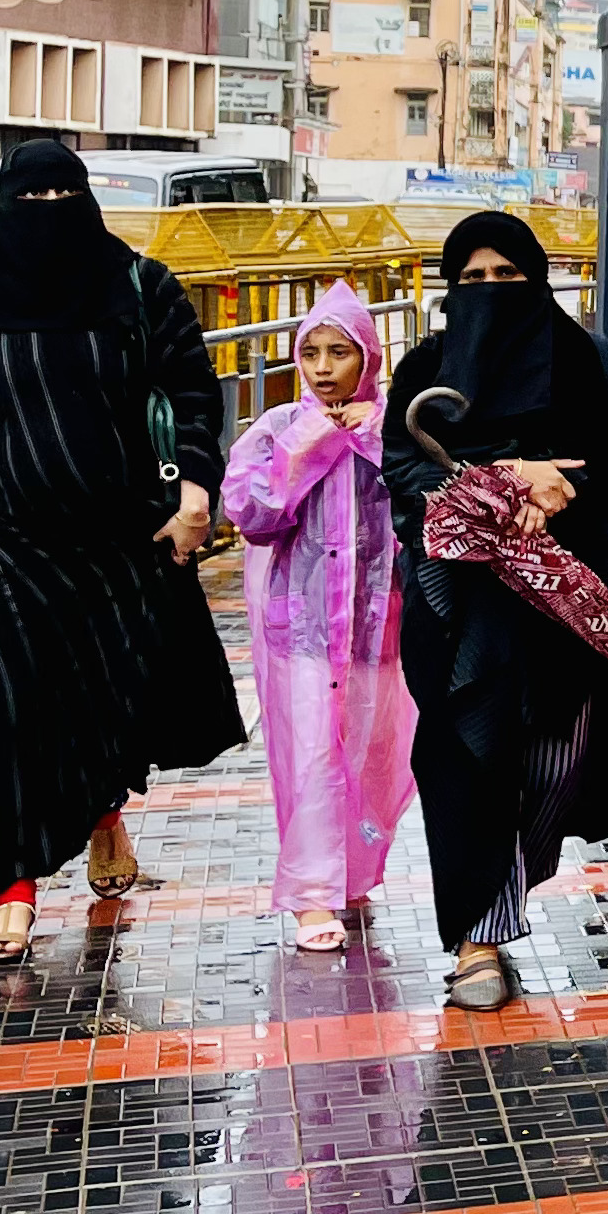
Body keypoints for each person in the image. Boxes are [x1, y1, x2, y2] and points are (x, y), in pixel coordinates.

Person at [0, 142, 245, 965]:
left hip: (119, 539)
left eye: (63, 191)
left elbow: (195, 393)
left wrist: (196, 492)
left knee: (100, 699)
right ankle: (11, 889)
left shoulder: (141, 289)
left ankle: (102, 813)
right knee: (9, 708)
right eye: (31, 192)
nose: (47, 206)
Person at [382, 212, 608, 1011]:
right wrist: (500, 485)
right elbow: (401, 474)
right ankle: (478, 937)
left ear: (537, 280)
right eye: (473, 280)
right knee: (467, 761)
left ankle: (508, 891)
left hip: (563, 612)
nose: (491, 292)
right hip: (460, 615)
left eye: (508, 277)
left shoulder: (595, 366)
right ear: (449, 288)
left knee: (554, 762)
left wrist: (564, 495)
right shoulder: (426, 370)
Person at [223, 280, 417, 953]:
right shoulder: (278, 428)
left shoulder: (394, 428)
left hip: (375, 631)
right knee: (310, 754)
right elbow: (250, 515)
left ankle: (353, 874)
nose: (326, 366)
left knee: (371, 755)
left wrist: (373, 443)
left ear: (369, 355)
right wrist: (304, 450)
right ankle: (312, 893)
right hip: (301, 633)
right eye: (313, 352)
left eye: (341, 351)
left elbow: (422, 507)